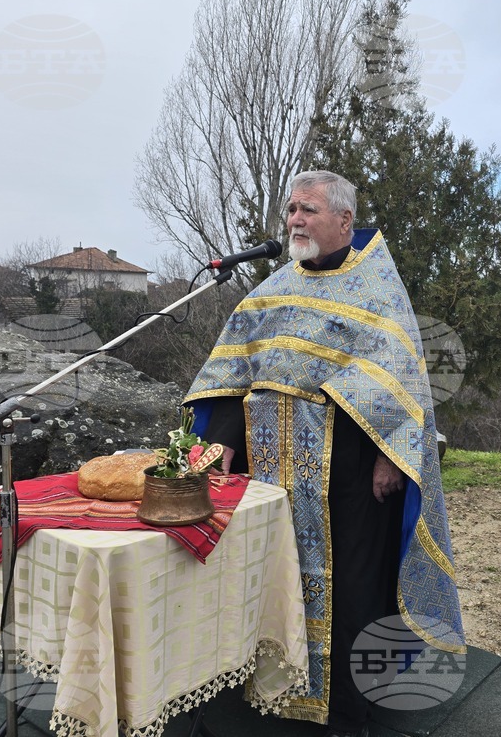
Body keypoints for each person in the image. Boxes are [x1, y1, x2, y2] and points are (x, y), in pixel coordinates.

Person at [184, 170, 465, 737]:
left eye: (308, 210)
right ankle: (272, 684)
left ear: (343, 220)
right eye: (291, 210)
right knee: (272, 573)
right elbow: (236, 371)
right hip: (271, 466)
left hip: (349, 468)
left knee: (351, 585)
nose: (294, 220)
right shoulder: (274, 287)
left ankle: (346, 711)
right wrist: (223, 441)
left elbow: (401, 382)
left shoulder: (378, 288)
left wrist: (392, 456)